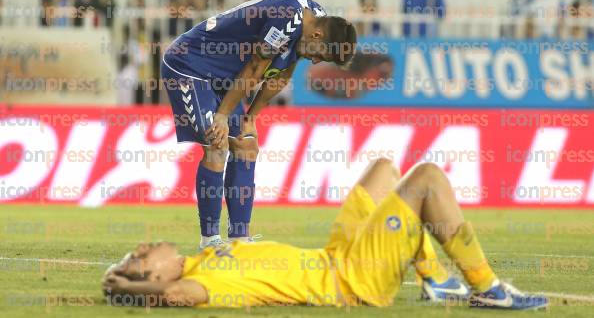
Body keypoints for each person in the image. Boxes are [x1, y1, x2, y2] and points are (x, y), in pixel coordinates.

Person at [102, 159, 548, 310]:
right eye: (136, 258)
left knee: (384, 169)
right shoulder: (201, 283)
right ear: (155, 279)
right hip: (353, 277)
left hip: (336, 254)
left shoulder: (204, 262)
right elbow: (177, 297)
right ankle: (487, 288)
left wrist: (128, 277)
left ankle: (435, 277)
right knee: (426, 179)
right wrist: (124, 286)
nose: (142, 248)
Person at [160, 0, 357, 249]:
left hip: (224, 80)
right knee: (217, 144)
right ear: (318, 36)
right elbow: (255, 68)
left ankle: (239, 240)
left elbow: (281, 76)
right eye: (321, 55)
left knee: (246, 145)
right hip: (189, 66)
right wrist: (222, 116)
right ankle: (209, 241)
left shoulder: (314, 18)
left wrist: (250, 118)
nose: (316, 61)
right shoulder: (289, 17)